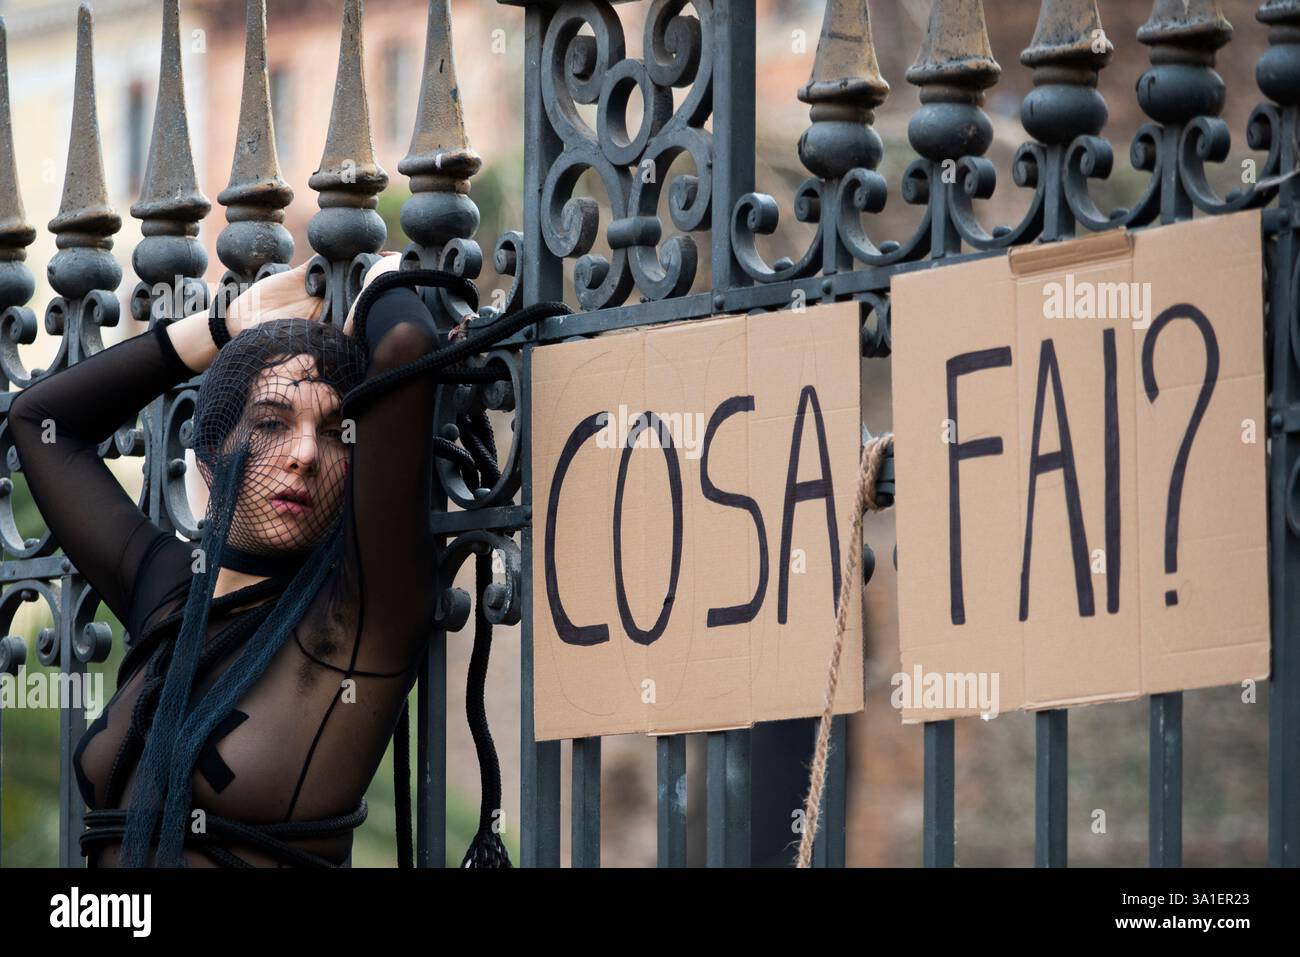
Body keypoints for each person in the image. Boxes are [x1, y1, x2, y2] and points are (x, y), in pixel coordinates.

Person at [7, 255, 495, 867]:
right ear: (212, 449)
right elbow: (42, 422)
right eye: (270, 423)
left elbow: (405, 344)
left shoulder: (351, 621)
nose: (303, 454)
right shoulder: (166, 591)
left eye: (336, 430)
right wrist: (222, 328)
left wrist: (383, 281)